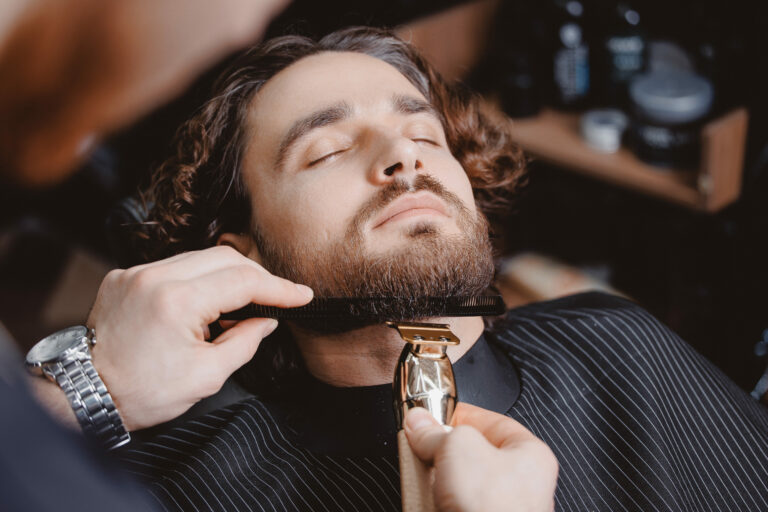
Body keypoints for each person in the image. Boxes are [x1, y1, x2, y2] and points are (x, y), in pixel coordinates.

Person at [30, 27, 768, 512]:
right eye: (324, 152)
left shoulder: (620, 344)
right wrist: (91, 390)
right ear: (242, 254)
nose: (407, 157)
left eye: (424, 135)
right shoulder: (169, 471)